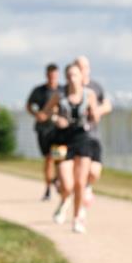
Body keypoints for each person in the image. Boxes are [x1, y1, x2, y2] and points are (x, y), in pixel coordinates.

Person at [43, 62, 99, 234]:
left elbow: (95, 117)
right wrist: (55, 119)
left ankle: (77, 218)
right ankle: (64, 201)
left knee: (80, 182)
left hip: (82, 138)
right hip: (62, 140)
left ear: (82, 77)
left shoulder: (89, 95)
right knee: (66, 184)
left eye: (75, 75)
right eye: (68, 75)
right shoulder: (59, 96)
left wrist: (92, 115)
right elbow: (45, 114)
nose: (71, 78)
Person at [75, 55, 110, 209]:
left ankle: (87, 187)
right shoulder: (69, 88)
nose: (82, 70)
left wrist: (97, 111)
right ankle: (74, 203)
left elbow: (108, 105)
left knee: (94, 172)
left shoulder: (96, 87)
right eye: (79, 67)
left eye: (84, 67)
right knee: (76, 175)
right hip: (74, 137)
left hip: (93, 136)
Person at [26, 63, 62, 200]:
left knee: (58, 157)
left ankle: (57, 181)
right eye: (50, 75)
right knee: (48, 159)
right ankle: (48, 187)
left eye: (55, 75)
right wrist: (37, 114)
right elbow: (29, 105)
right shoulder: (39, 91)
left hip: (58, 129)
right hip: (43, 130)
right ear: (47, 75)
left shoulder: (62, 90)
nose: (52, 78)